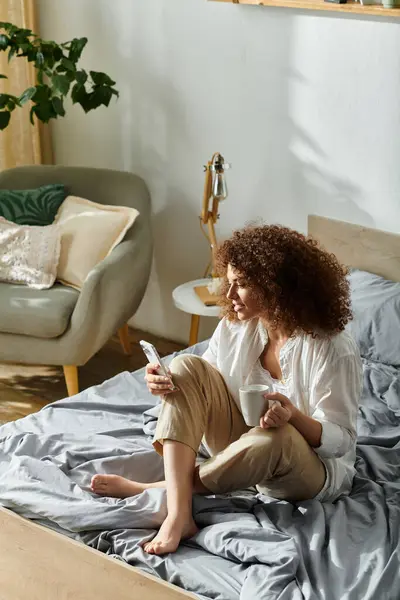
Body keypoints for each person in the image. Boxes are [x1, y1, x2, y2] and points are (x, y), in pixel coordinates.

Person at [91, 224, 362, 556]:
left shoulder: (332, 347)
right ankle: (180, 514)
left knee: (276, 437)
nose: (229, 295)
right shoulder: (236, 325)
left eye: (242, 285)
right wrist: (166, 385)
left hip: (306, 470)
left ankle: (153, 489)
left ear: (277, 288)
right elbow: (203, 388)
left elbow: (343, 440)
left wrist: (293, 415)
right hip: (240, 447)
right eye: (229, 282)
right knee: (185, 366)